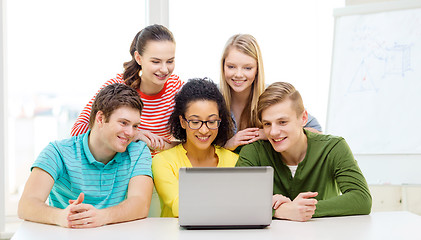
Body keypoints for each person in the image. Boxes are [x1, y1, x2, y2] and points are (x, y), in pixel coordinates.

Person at [18, 83, 154, 228]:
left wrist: (101, 216)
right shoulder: (57, 152)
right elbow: (27, 204)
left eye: (135, 126)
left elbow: (140, 203)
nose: (131, 133)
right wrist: (62, 217)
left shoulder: (138, 151)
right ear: (100, 118)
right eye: (123, 123)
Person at [236, 82, 372, 222]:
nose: (273, 132)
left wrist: (302, 210)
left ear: (304, 118)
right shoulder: (253, 152)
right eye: (267, 124)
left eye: (282, 122)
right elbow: (235, 199)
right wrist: (278, 210)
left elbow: (361, 198)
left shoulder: (333, 147)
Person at [71, 24, 182, 153]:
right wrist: (134, 135)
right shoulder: (117, 86)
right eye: (155, 62)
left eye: (170, 61)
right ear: (139, 58)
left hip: (161, 168)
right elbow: (77, 132)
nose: (164, 69)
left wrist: (157, 145)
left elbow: (193, 143)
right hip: (121, 168)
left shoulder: (178, 89)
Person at [220, 34, 322, 151]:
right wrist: (227, 145)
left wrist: (268, 133)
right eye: (231, 66)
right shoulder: (212, 97)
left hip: (262, 168)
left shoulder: (270, 96)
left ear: (257, 69)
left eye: (247, 68)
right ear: (223, 66)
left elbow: (316, 131)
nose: (238, 74)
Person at [152, 78, 238, 217]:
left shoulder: (234, 161)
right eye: (195, 122)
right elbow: (179, 207)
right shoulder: (163, 162)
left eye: (211, 121)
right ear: (182, 122)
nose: (204, 130)